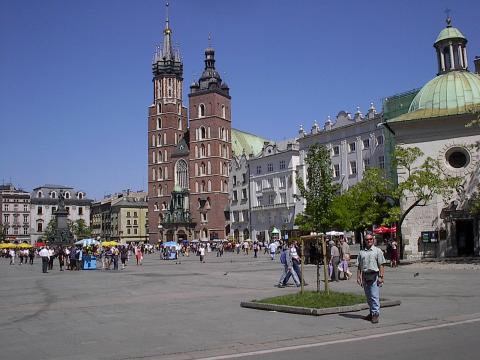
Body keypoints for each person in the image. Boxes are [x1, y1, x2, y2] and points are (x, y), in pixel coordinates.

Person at [357, 234, 386, 324]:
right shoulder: (361, 252)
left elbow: (381, 265)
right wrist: (358, 276)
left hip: (374, 275)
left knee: (374, 296)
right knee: (368, 297)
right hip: (365, 276)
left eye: (370, 239)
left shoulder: (377, 251)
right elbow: (359, 266)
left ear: (373, 240)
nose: (369, 240)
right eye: (367, 239)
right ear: (364, 241)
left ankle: (375, 314)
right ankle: (371, 312)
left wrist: (381, 277)